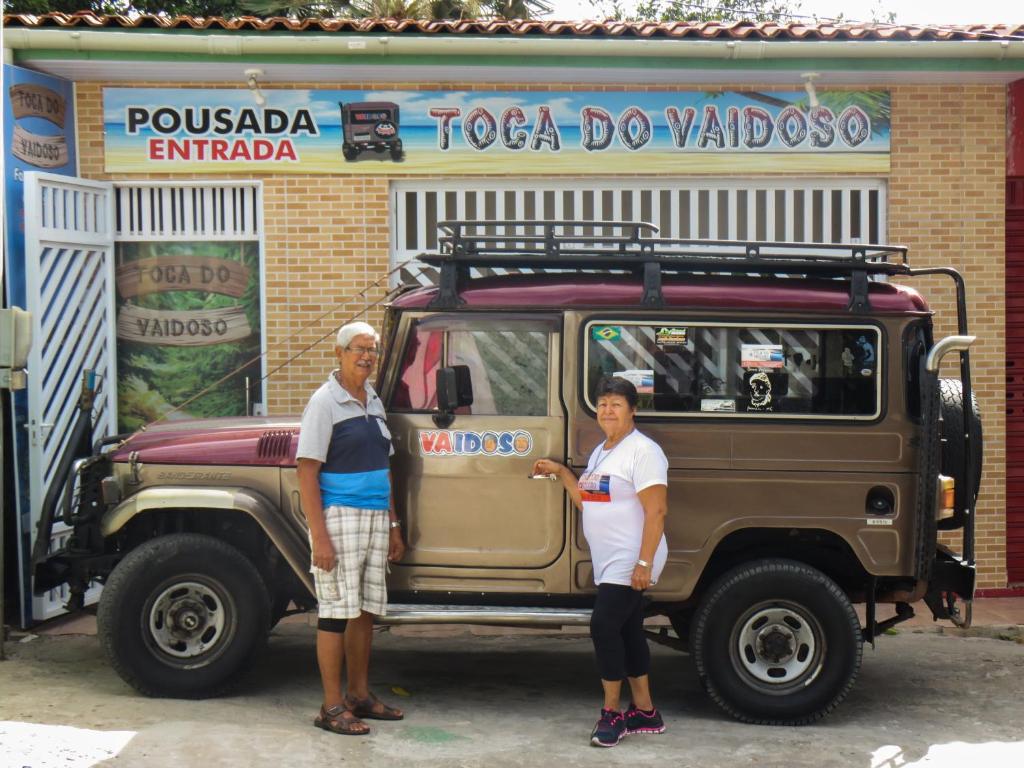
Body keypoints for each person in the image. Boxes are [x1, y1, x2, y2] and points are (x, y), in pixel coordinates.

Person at [533, 376, 669, 748]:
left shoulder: (644, 451)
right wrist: (561, 472)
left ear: (632, 410)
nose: (608, 410)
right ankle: (644, 712)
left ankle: (612, 715)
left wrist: (643, 563)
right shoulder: (602, 451)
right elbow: (587, 501)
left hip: (633, 557)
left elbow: (657, 511)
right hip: (611, 559)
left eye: (616, 404)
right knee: (627, 630)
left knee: (603, 627)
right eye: (603, 404)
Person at [296, 320, 407, 735]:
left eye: (372, 350)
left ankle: (358, 696)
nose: (367, 356)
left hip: (376, 515)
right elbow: (307, 472)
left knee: (363, 609)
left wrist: (394, 523)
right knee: (334, 612)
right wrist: (319, 536)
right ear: (338, 353)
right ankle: (330, 706)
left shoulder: (372, 400)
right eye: (358, 348)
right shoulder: (324, 402)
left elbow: (385, 468)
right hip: (339, 515)